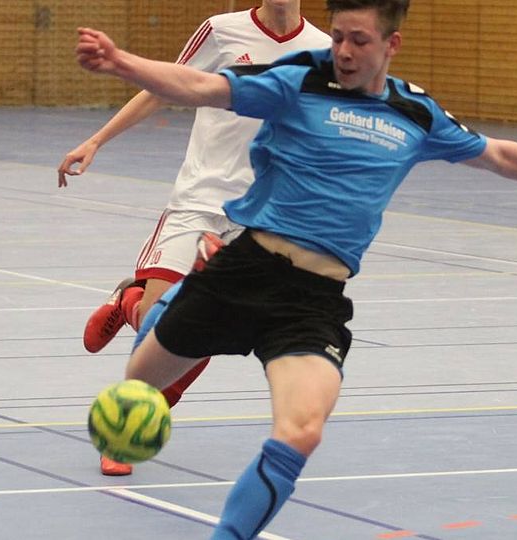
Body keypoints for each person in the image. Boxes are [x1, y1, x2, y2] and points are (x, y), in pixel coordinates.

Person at [76, 0, 517, 537]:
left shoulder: (414, 112)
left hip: (312, 301)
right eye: (338, 36)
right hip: (242, 271)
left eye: (358, 40)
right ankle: (162, 300)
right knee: (138, 385)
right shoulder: (300, 79)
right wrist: (121, 62)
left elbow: (499, 154)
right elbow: (202, 87)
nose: (342, 50)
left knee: (301, 432)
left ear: (392, 44)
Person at [58, 1, 330, 476]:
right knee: (155, 327)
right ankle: (130, 303)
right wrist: (96, 140)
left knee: (201, 331)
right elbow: (161, 88)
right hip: (199, 201)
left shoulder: (323, 50)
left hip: (259, 214)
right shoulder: (221, 31)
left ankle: (125, 433)